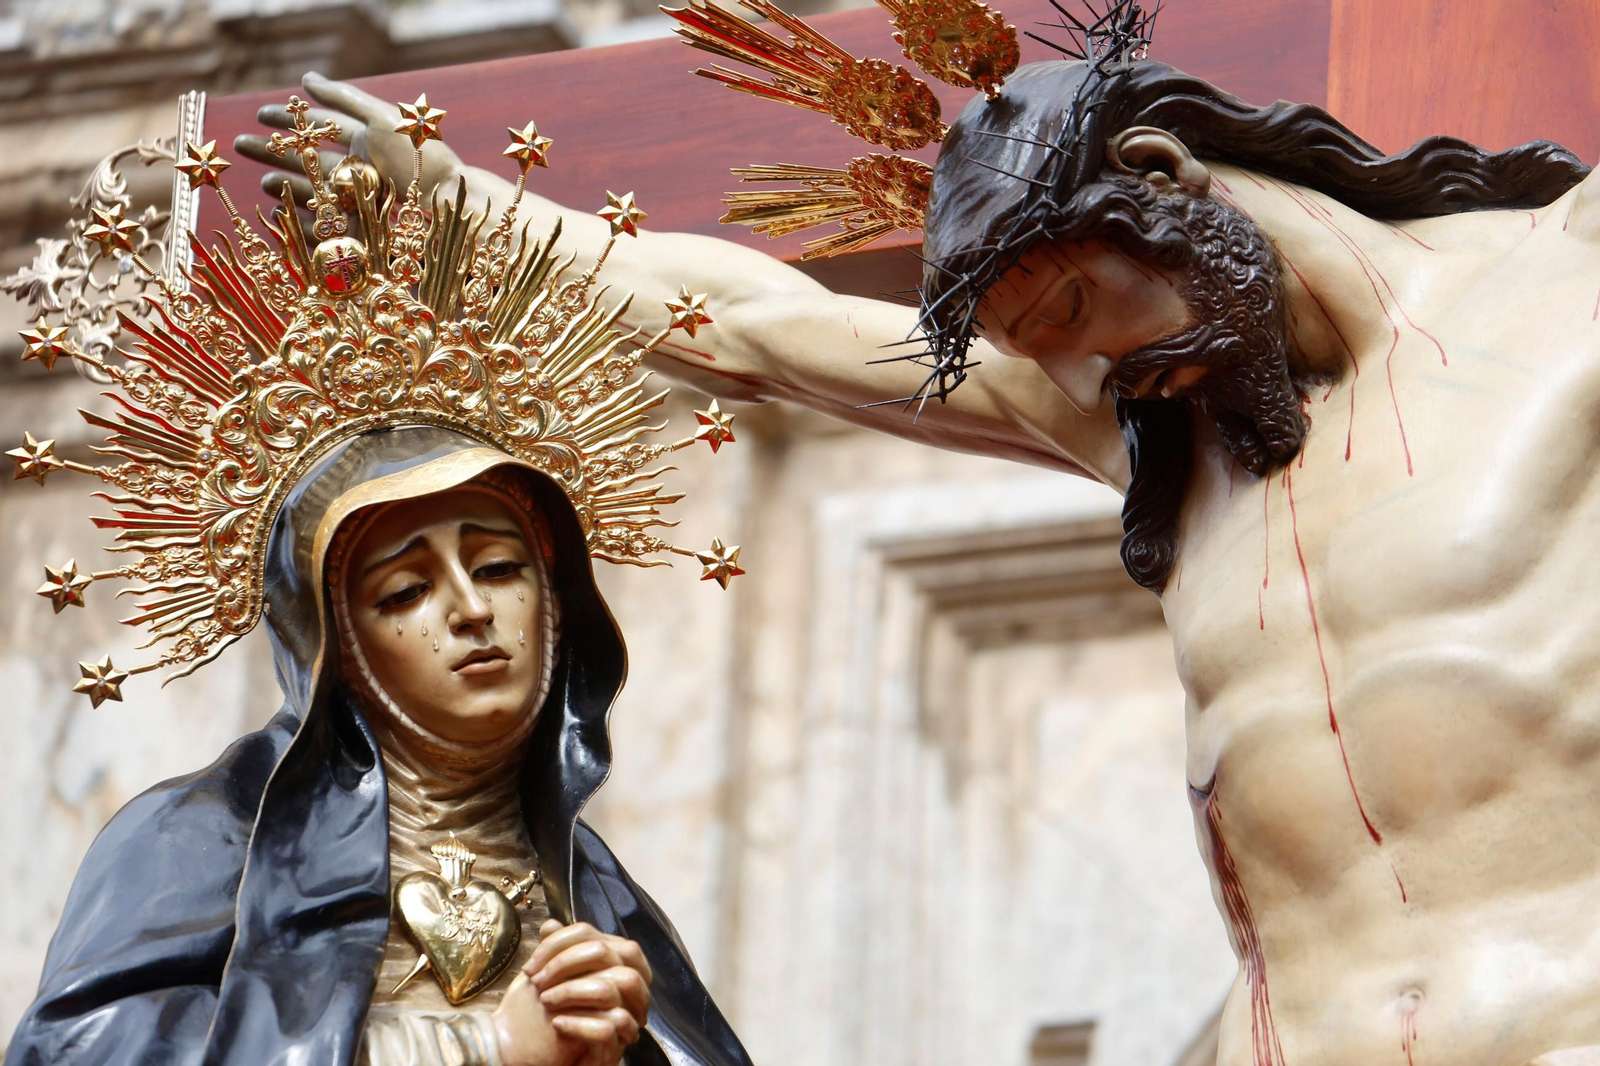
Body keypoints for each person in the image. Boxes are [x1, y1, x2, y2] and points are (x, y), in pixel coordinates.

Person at [245, 12, 1600, 1060]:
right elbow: (761, 328)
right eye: (1032, 344)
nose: (1078, 372)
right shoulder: (1149, 426)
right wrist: (468, 215)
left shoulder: (1563, 288)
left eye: (1069, 309)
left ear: (1164, 180)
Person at [5, 84, 751, 1066]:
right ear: (337, 644)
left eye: (499, 567)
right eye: (404, 592)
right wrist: (486, 1049)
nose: (472, 610)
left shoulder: (594, 889)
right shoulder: (205, 836)